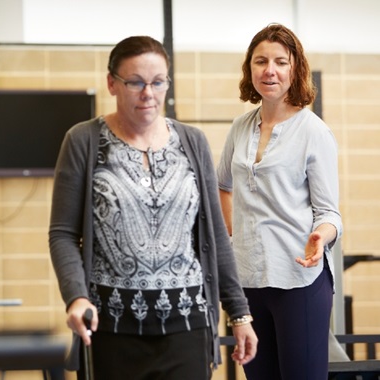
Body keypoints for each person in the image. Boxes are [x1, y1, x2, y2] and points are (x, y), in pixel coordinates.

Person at [49, 35, 257, 380]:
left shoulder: (192, 142)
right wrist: (75, 297)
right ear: (112, 84)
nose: (149, 93)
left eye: (158, 82)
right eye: (136, 82)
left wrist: (239, 313)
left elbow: (216, 234)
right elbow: (63, 234)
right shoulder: (83, 141)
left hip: (187, 324)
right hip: (112, 326)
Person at [217, 24, 343, 380]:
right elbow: (221, 185)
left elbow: (330, 212)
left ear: (295, 69)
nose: (269, 70)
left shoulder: (314, 132)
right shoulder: (240, 127)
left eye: (279, 62)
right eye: (260, 61)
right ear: (250, 69)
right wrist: (231, 238)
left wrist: (322, 235)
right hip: (248, 279)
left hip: (298, 279)